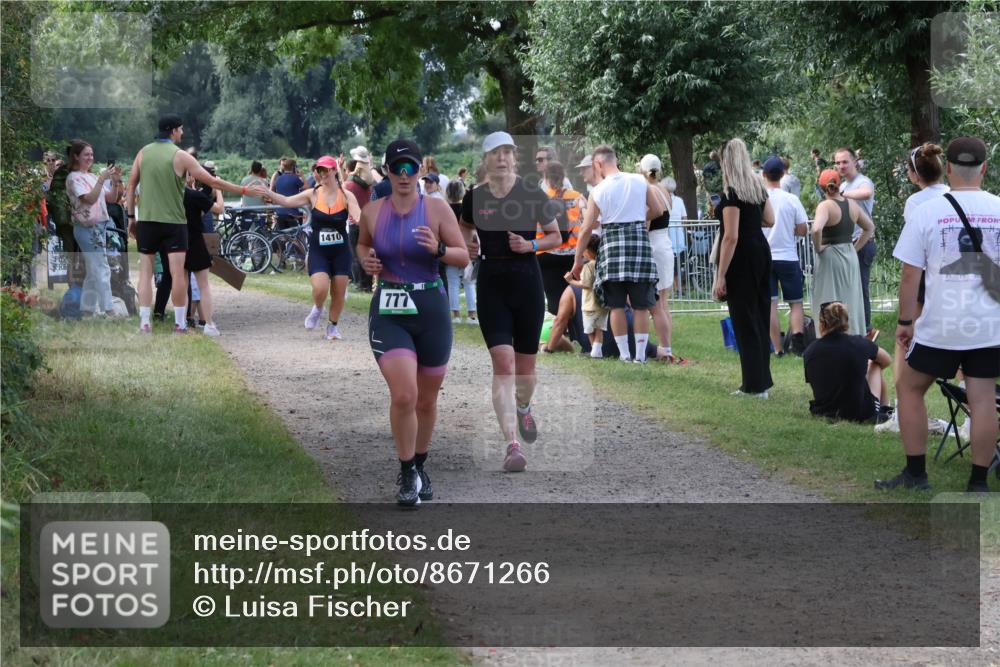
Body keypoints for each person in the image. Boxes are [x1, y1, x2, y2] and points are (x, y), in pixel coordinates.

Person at [878, 136, 1000, 493]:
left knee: (909, 387)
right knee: (982, 398)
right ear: (984, 168)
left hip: (942, 324)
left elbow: (910, 275)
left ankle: (916, 473)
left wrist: (905, 323)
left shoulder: (926, 211)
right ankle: (978, 482)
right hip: (989, 324)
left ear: (948, 169)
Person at [356, 139, 470, 505]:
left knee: (426, 399)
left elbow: (463, 256)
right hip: (390, 310)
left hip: (431, 307)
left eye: (410, 168)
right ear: (387, 172)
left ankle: (420, 464)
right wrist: (366, 260)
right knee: (404, 394)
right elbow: (362, 245)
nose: (404, 175)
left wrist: (438, 249)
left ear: (420, 170)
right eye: (397, 168)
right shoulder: (373, 211)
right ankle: (406, 473)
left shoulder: (436, 208)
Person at [460, 131, 563, 472]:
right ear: (486, 159)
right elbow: (464, 227)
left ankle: (523, 407)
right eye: (496, 153)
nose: (502, 158)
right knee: (503, 365)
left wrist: (530, 245)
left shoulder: (531, 193)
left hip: (527, 284)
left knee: (526, 373)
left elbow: (555, 236)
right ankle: (512, 446)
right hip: (492, 285)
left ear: (514, 157)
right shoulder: (474, 197)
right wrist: (469, 245)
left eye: (507, 152)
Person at [126, 114, 258, 334]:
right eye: (181, 129)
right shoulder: (180, 156)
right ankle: (180, 323)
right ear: (173, 131)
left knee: (146, 272)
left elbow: (131, 185)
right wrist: (243, 190)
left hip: (147, 220)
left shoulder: (143, 153)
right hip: (174, 223)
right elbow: (212, 181)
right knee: (178, 273)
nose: (182, 133)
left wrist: (131, 217)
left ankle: (145, 323)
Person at [571, 144, 665, 363]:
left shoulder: (598, 191)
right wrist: (637, 219)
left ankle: (624, 355)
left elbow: (586, 228)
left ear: (598, 163)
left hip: (612, 248)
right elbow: (658, 210)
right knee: (641, 306)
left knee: (616, 305)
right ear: (615, 159)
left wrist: (577, 260)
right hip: (639, 245)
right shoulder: (639, 180)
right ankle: (640, 356)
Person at [264, 155, 362, 340]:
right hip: (319, 250)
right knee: (320, 288)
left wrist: (366, 221)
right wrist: (268, 192)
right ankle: (317, 308)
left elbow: (359, 216)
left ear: (334, 171)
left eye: (325, 170)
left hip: (341, 251)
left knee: (339, 292)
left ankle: (332, 327)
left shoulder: (346, 195)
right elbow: (287, 201)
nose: (322, 174)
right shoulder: (313, 194)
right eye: (319, 170)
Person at [710, 138, 776, 397]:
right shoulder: (757, 187)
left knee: (744, 319)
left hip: (742, 256)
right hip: (761, 250)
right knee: (759, 315)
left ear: (726, 161)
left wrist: (721, 276)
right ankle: (760, 382)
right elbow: (770, 219)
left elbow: (730, 237)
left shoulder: (731, 194)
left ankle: (754, 384)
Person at [892, 142, 950, 384]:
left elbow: (916, 246)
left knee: (909, 333)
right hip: (953, 273)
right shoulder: (953, 193)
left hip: (926, 274)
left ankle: (902, 392)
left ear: (915, 175)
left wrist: (903, 320)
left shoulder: (915, 202)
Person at [805, 301, 893, 423]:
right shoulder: (859, 343)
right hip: (859, 412)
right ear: (846, 322)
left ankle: (885, 409)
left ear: (822, 324)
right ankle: (885, 408)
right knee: (875, 364)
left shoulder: (810, 351)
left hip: (824, 411)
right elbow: (887, 360)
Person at [811, 169, 873, 337]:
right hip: (849, 255)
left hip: (830, 256)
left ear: (821, 187)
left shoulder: (825, 206)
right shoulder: (852, 204)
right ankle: (853, 335)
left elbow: (816, 229)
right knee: (851, 298)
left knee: (828, 298)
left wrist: (818, 248)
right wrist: (855, 248)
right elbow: (869, 228)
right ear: (840, 185)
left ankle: (829, 338)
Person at [65, 139, 123, 318]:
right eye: (86, 154)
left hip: (99, 227)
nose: (90, 157)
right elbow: (89, 199)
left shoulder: (91, 176)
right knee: (102, 267)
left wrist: (115, 182)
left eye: (91, 154)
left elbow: (111, 198)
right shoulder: (74, 178)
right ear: (76, 156)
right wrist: (101, 179)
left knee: (93, 270)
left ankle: (87, 309)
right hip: (86, 228)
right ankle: (109, 310)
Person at [762, 155, 809, 356]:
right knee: (795, 302)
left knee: (771, 304)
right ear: (782, 174)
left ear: (763, 175)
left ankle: (778, 348)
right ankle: (797, 345)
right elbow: (803, 229)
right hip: (788, 256)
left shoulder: (759, 199)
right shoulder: (791, 199)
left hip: (765, 257)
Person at [640, 154, 678, 360]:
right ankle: (667, 346)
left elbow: (646, 224)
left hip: (654, 245)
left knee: (656, 305)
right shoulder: (664, 189)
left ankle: (664, 348)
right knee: (663, 302)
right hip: (665, 244)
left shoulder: (650, 189)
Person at [834, 147, 877, 334]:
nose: (841, 166)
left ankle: (865, 329)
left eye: (845, 162)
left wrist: (841, 195)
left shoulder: (863, 182)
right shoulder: (842, 186)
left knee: (860, 287)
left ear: (854, 162)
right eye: (838, 163)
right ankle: (849, 328)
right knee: (847, 288)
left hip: (863, 242)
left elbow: (866, 193)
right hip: (845, 243)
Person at [537, 161, 582, 331]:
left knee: (553, 297)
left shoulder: (539, 198)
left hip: (545, 254)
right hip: (572, 255)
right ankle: (576, 334)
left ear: (545, 178)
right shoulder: (577, 197)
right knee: (574, 295)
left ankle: (557, 335)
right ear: (564, 177)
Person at [183, 171, 225, 336]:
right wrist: (218, 189)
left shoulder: (171, 196)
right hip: (195, 241)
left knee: (182, 283)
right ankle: (208, 324)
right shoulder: (194, 196)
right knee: (203, 285)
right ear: (189, 177)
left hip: (177, 240)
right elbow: (219, 209)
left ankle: (181, 322)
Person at [566, 235, 609, 358]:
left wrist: (571, 281)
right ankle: (597, 352)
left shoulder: (588, 266)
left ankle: (594, 352)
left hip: (590, 304)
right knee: (599, 329)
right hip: (603, 303)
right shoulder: (604, 263)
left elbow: (585, 284)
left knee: (589, 329)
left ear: (588, 251)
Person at [444, 180, 477, 324]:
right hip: (467, 248)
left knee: (452, 283)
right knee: (469, 283)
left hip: (451, 249)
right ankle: (472, 315)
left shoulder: (444, 209)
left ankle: (456, 315)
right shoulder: (467, 208)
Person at [343, 157, 374, 291]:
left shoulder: (349, 185)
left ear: (349, 170)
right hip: (368, 222)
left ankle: (360, 283)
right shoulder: (367, 186)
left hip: (354, 222)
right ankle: (368, 283)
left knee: (355, 255)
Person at [662, 176, 688, 292]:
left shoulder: (662, 200)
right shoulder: (679, 200)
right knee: (677, 264)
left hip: (666, 236)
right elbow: (685, 219)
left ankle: (671, 288)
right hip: (678, 237)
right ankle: (677, 288)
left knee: (668, 265)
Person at [273, 158, 306, 230]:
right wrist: (302, 176)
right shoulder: (295, 179)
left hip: (280, 212)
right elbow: (307, 187)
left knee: (282, 234)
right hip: (293, 212)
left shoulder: (278, 179)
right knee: (295, 234)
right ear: (294, 167)